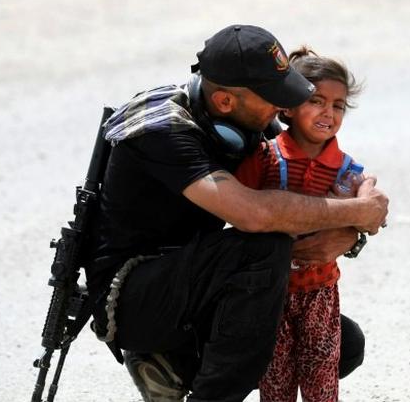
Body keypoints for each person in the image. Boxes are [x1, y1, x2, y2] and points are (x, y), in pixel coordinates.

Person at [84, 24, 388, 402]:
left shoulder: (246, 119)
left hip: (199, 278)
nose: (281, 109)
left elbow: (318, 187)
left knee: (342, 344)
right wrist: (358, 211)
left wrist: (350, 232)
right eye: (273, 98)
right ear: (226, 101)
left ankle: (175, 364)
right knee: (265, 246)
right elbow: (255, 214)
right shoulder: (165, 130)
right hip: (136, 295)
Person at [234, 47, 365, 402]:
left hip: (320, 291)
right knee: (275, 378)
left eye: (338, 105)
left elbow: (367, 204)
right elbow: (235, 209)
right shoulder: (265, 158)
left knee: (322, 371)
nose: (329, 112)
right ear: (288, 107)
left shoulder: (345, 168)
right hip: (269, 291)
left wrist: (362, 207)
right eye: (317, 101)